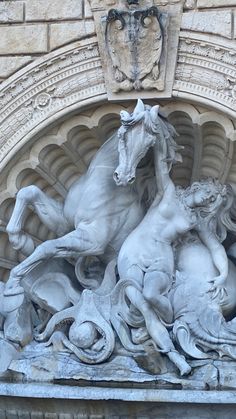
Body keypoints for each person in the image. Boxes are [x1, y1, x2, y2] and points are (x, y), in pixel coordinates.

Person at [117, 134, 234, 375]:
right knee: (141, 303)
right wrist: (155, 133)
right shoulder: (167, 192)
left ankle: (171, 334)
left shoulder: (195, 220)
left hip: (161, 257)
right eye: (210, 192)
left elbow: (214, 247)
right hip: (135, 250)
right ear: (199, 186)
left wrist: (222, 274)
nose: (209, 198)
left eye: (212, 199)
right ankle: (173, 353)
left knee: (151, 295)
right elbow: (161, 162)